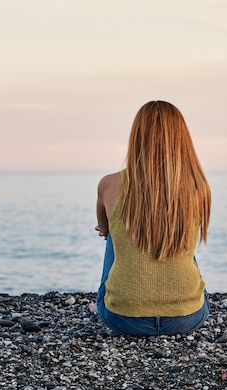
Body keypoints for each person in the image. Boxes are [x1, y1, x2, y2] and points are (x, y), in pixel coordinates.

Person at [93, 100, 211, 337]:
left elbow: (105, 230)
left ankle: (120, 298)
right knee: (179, 231)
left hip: (123, 319)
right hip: (187, 318)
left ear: (137, 136)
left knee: (115, 237)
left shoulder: (109, 184)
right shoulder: (198, 186)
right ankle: (175, 295)